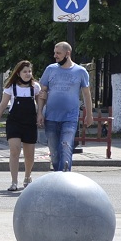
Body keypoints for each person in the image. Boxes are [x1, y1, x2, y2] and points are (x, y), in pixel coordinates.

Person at [37, 41, 93, 172]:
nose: (55, 56)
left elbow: (86, 94)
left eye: (58, 53)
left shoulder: (80, 71)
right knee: (54, 152)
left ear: (67, 53)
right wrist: (39, 112)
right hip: (51, 117)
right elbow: (42, 93)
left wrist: (89, 115)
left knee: (66, 146)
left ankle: (65, 175)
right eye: (55, 53)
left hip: (70, 117)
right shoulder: (50, 69)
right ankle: (58, 175)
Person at [0, 60, 42, 191]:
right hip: (14, 123)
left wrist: (40, 115)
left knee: (29, 155)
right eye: (25, 71)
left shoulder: (35, 87)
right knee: (14, 150)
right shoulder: (11, 87)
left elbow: (40, 105)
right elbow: (2, 105)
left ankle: (27, 177)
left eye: (29, 71)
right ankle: (14, 182)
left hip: (30, 123)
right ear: (18, 73)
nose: (28, 74)